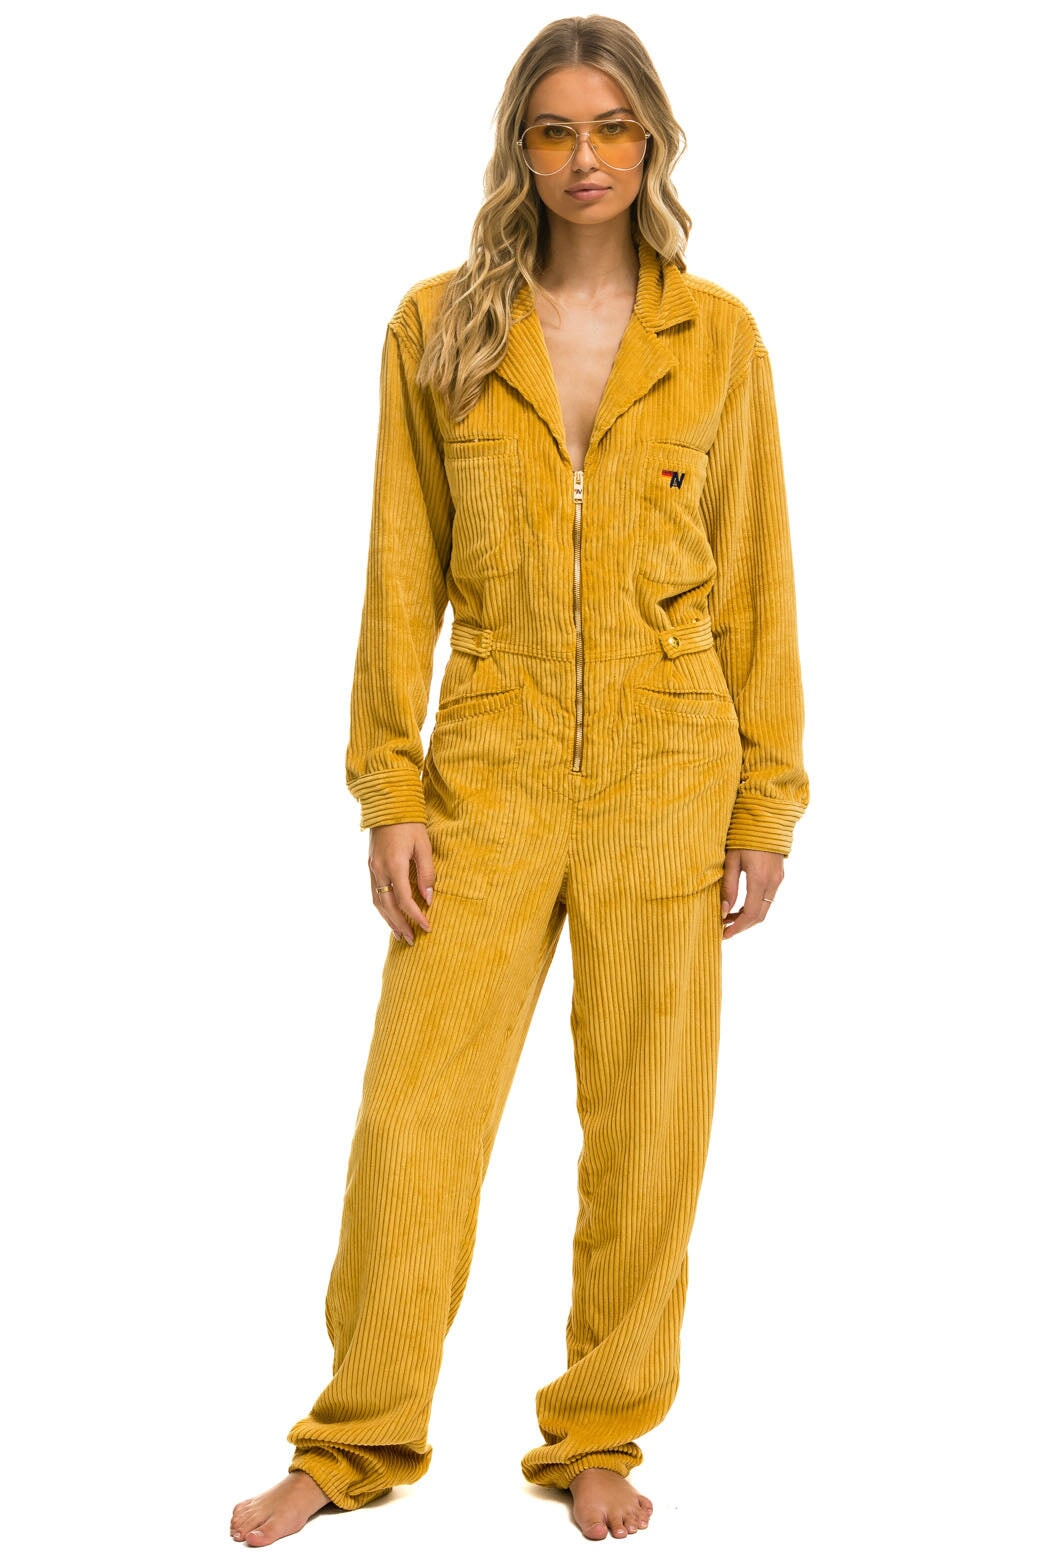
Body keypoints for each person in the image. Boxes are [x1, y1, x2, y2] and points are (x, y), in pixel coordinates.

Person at [230, 13, 809, 1548]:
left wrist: (767, 804)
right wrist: (389, 791)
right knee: (412, 1119)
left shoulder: (720, 340)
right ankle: (357, 1435)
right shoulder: (438, 326)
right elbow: (398, 573)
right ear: (520, 149)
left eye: (611, 128)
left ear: (650, 142)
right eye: (555, 131)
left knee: (648, 1132)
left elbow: (759, 582)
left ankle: (600, 1434)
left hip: (671, 767)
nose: (584, 158)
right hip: (487, 761)